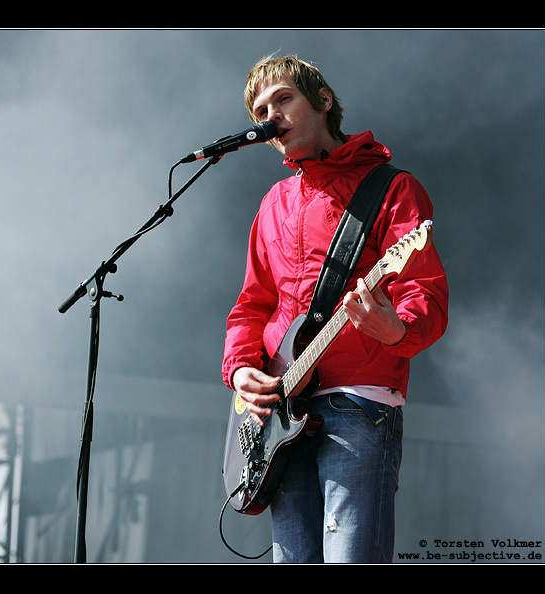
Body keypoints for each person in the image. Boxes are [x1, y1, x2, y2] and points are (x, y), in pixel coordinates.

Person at [222, 54, 449, 563]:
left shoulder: (392, 188)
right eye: (261, 110)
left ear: (323, 101)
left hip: (360, 403)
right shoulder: (273, 203)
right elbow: (252, 304)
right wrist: (239, 370)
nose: (271, 116)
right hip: (278, 415)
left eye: (283, 99)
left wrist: (396, 328)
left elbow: (425, 291)